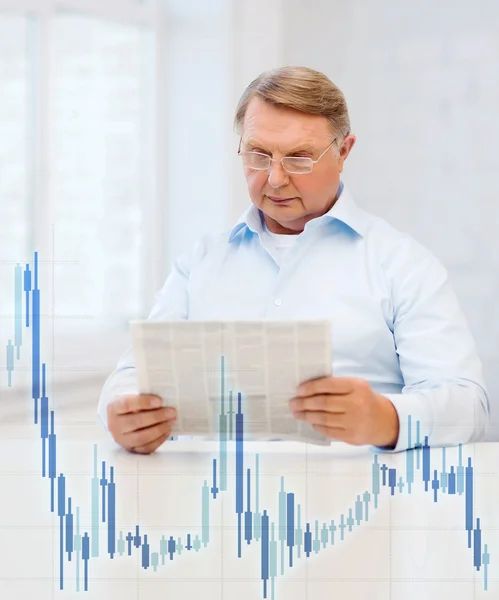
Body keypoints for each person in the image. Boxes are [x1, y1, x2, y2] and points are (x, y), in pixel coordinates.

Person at [97, 66, 490, 455]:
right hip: (216, 502)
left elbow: (467, 405)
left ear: (343, 152)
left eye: (299, 158)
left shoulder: (401, 264)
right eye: (258, 155)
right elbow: (131, 375)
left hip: (359, 504)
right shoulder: (199, 263)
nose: (275, 179)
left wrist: (385, 418)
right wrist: (124, 412)